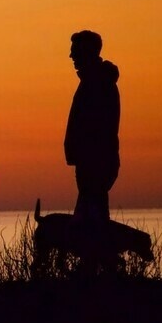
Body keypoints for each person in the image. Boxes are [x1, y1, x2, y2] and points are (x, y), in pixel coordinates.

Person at [64, 30, 121, 267]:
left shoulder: (96, 83)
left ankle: (98, 267)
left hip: (95, 161)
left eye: (75, 51)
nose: (70, 56)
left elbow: (96, 126)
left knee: (94, 215)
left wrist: (83, 152)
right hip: (92, 159)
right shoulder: (94, 82)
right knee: (92, 214)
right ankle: (95, 266)